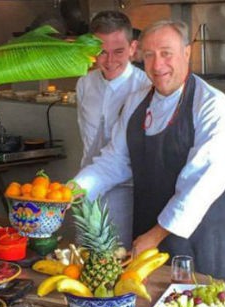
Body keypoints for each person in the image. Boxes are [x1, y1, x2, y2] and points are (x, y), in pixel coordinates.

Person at [75, 20, 225, 284]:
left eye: (166, 53)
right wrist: (70, 192)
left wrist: (154, 236)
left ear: (187, 53)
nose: (157, 65)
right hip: (148, 237)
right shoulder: (137, 101)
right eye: (149, 55)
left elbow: (201, 185)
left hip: (202, 238)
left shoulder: (211, 105)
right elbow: (114, 161)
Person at [76, 11, 150, 249]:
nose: (109, 61)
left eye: (118, 51)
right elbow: (86, 138)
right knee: (83, 260)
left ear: (132, 48)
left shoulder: (146, 87)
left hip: (128, 193)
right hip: (85, 188)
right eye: (101, 52)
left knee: (120, 262)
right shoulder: (84, 84)